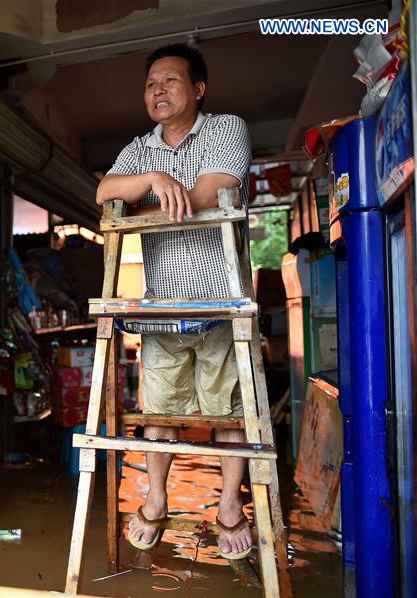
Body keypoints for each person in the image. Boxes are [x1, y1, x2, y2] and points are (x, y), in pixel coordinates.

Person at [95, 43, 253, 559]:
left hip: (219, 300)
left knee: (229, 410)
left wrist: (153, 192)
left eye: (170, 81)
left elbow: (207, 194)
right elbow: (104, 192)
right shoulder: (142, 147)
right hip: (162, 306)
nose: (158, 91)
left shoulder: (226, 128)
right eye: (150, 84)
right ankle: (157, 499)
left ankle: (230, 504)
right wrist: (153, 179)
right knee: (159, 410)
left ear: (199, 88)